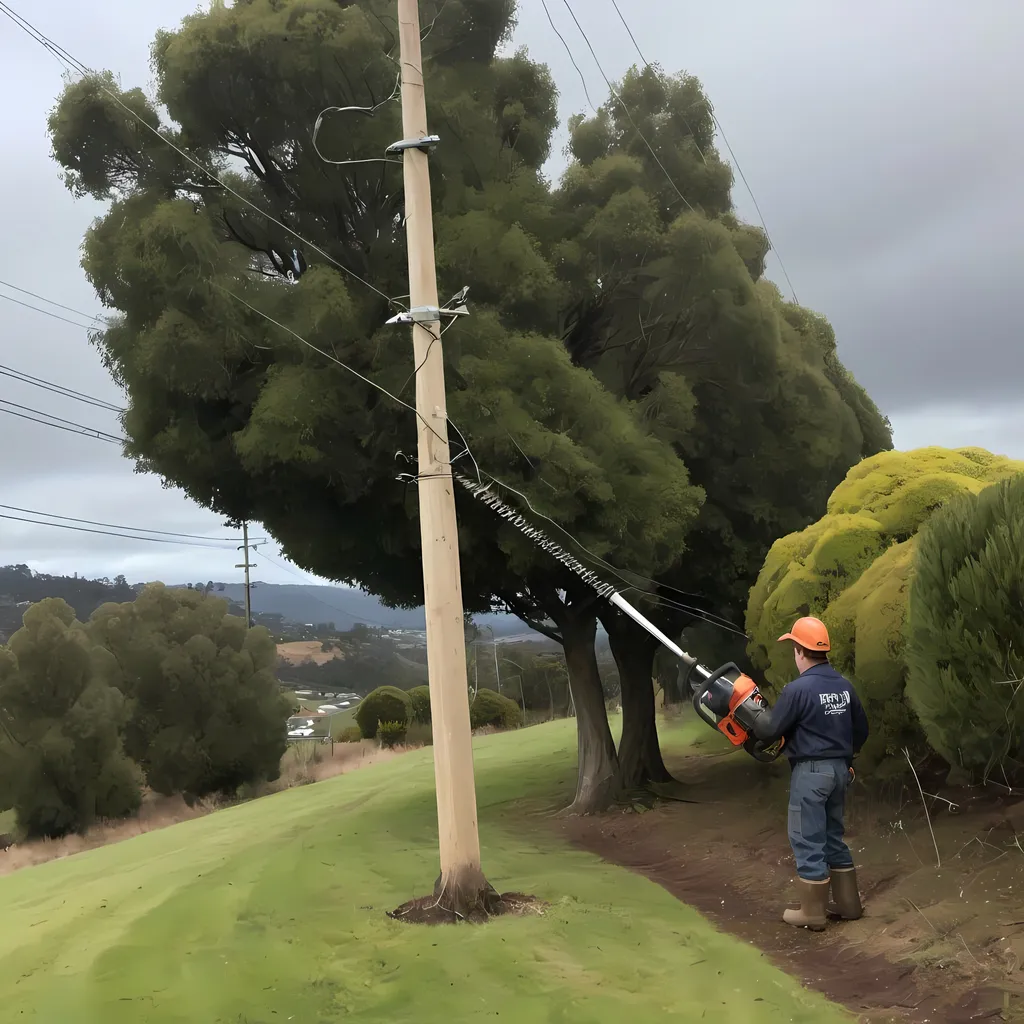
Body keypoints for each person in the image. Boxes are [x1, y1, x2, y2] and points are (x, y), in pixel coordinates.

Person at [737, 616, 869, 931]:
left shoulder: (798, 690)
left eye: (794, 649)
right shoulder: (843, 686)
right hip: (840, 771)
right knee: (832, 835)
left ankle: (811, 913)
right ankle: (849, 906)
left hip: (811, 773)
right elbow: (861, 730)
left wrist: (748, 709)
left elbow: (769, 729)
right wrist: (847, 757)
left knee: (806, 837)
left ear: (800, 651)